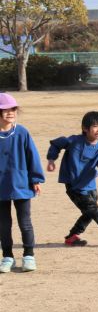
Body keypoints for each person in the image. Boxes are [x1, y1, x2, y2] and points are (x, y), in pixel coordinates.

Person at [46, 111, 98, 247]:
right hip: (74, 185)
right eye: (95, 126)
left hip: (90, 185)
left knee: (90, 211)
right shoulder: (74, 141)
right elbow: (56, 144)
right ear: (85, 128)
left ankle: (72, 236)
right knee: (92, 209)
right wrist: (51, 159)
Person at [0, 94, 44, 273]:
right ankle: (7, 257)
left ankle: (29, 256)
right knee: (3, 224)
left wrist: (36, 179)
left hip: (21, 185)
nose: (10, 113)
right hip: (1, 187)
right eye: (5, 109)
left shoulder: (22, 132)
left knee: (25, 222)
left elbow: (32, 156)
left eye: (13, 109)